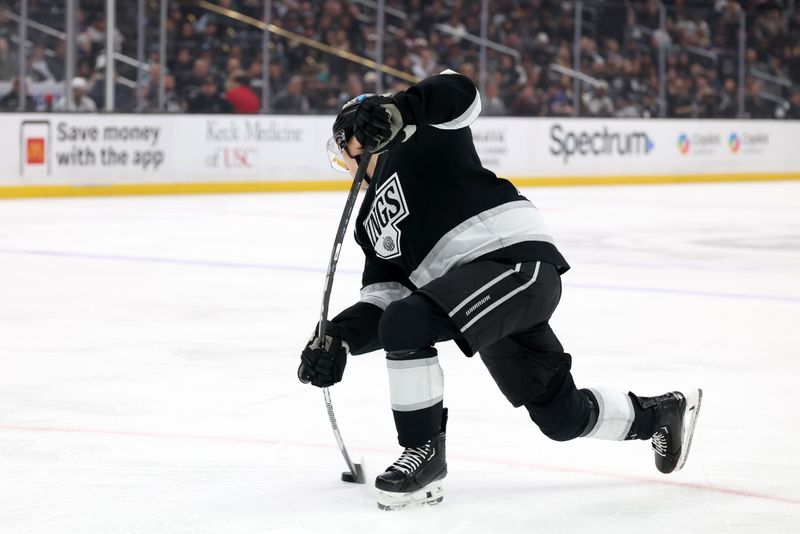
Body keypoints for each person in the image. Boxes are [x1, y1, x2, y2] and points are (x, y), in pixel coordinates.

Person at [298, 71, 702, 511]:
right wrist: (338, 338)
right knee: (560, 417)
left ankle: (424, 453)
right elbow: (384, 300)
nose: (345, 164)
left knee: (408, 320)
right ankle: (658, 415)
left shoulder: (421, 131)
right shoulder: (367, 224)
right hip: (468, 297)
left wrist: (402, 108)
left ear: (358, 138)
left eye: (345, 150)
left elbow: (460, 91)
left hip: (513, 262)